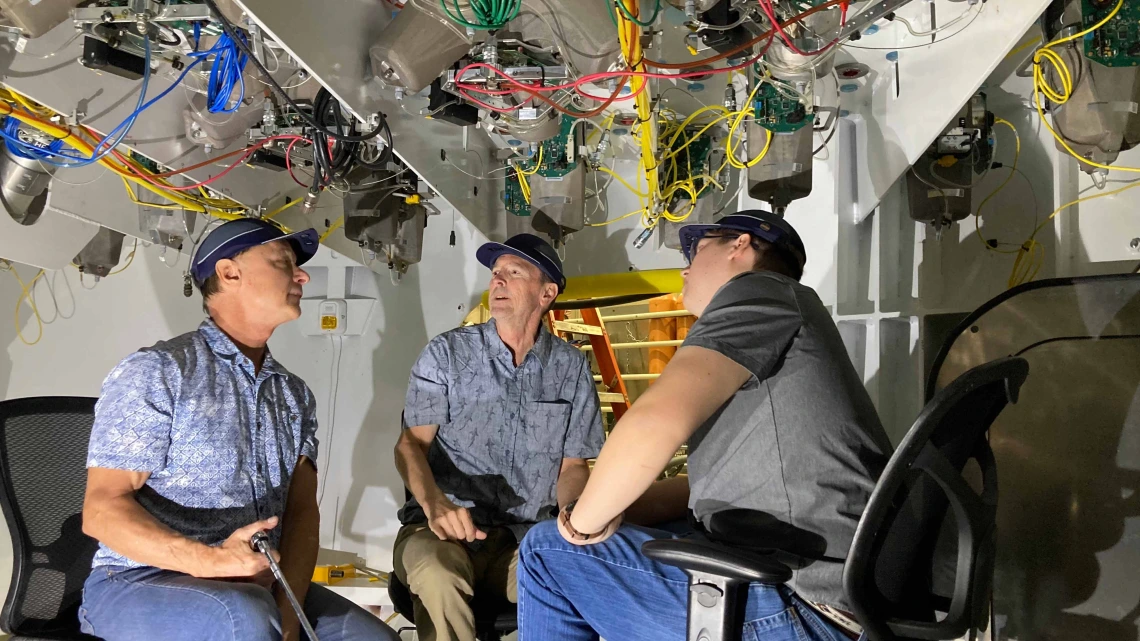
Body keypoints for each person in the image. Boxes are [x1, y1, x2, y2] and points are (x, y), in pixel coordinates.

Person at [517, 211, 893, 640]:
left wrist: (579, 524)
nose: (684, 266)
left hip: (801, 606)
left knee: (547, 552)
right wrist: (612, 506)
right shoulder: (782, 322)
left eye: (697, 248)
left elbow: (656, 421)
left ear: (740, 246)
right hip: (828, 597)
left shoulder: (759, 292)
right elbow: (701, 489)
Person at [79, 218, 399, 641]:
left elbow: (302, 512)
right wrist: (211, 563)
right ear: (230, 273)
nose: (302, 275)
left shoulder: (294, 395)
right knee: (242, 619)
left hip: (259, 585)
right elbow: (101, 511)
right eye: (284, 261)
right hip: (138, 580)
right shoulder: (158, 372)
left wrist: (289, 612)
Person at [393, 233, 604, 641]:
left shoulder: (571, 368)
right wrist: (435, 504)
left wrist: (575, 518)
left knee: (587, 579)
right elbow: (410, 445)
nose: (498, 281)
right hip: (441, 534)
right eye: (495, 273)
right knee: (437, 576)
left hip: (525, 543)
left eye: (513, 272)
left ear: (547, 293)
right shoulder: (447, 354)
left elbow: (573, 466)